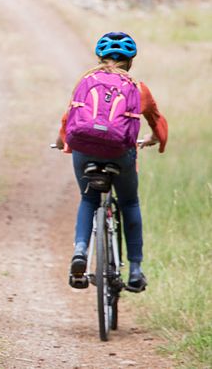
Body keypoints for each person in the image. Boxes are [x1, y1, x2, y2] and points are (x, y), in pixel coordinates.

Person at [55, 31, 168, 292]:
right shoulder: (138, 88)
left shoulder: (86, 80)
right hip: (119, 152)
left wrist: (63, 142)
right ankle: (136, 269)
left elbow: (69, 118)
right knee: (129, 202)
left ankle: (80, 251)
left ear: (99, 57)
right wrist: (157, 140)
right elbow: (157, 121)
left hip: (84, 150)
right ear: (130, 62)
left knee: (88, 198)